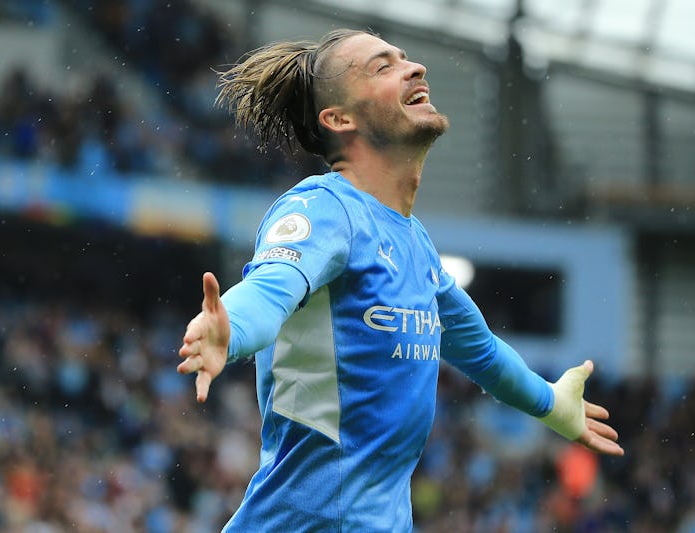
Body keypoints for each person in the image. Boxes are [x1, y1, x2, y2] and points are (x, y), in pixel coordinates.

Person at [177, 28, 624, 532]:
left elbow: (482, 353)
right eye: (382, 67)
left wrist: (551, 404)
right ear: (339, 119)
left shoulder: (416, 246)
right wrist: (230, 329)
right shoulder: (324, 209)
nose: (415, 69)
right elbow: (272, 286)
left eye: (406, 58)